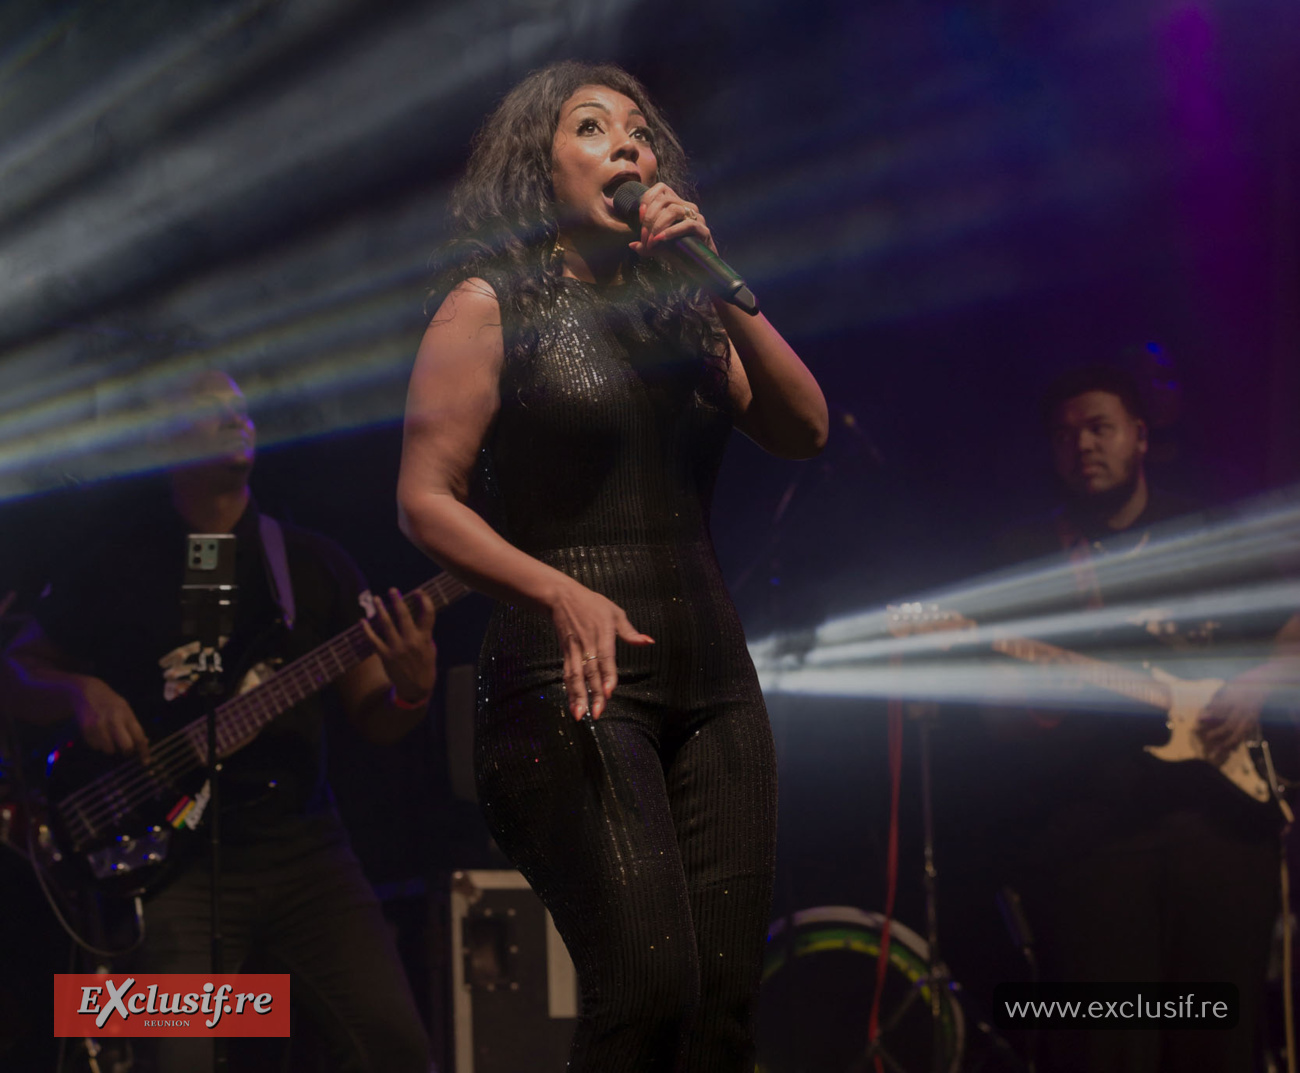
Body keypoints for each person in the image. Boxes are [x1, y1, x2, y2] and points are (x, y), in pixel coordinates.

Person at [396, 61, 828, 1072]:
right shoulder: (488, 304)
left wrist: (713, 280)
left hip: (714, 684)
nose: (627, 145)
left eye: (637, 132)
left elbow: (803, 427)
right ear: (537, 171)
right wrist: (555, 587)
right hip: (569, 681)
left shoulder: (679, 311)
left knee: (723, 1007)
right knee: (647, 993)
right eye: (592, 129)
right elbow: (422, 499)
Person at [2, 370, 436, 1073]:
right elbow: (14, 672)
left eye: (242, 408)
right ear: (165, 442)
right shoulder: (118, 561)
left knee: (396, 1044)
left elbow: (377, 714)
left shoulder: (312, 561)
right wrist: (80, 692)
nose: (238, 418)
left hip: (305, 853)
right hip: (168, 865)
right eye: (210, 409)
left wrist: (412, 692)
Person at [987, 364, 1299, 1073]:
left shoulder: (1207, 533)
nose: (1083, 445)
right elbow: (1002, 722)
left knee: (1218, 1046)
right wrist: (1041, 703)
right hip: (1091, 846)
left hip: (1223, 837)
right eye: (1065, 435)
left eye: (1099, 427)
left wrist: (1255, 682)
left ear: (1140, 436)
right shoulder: (1026, 558)